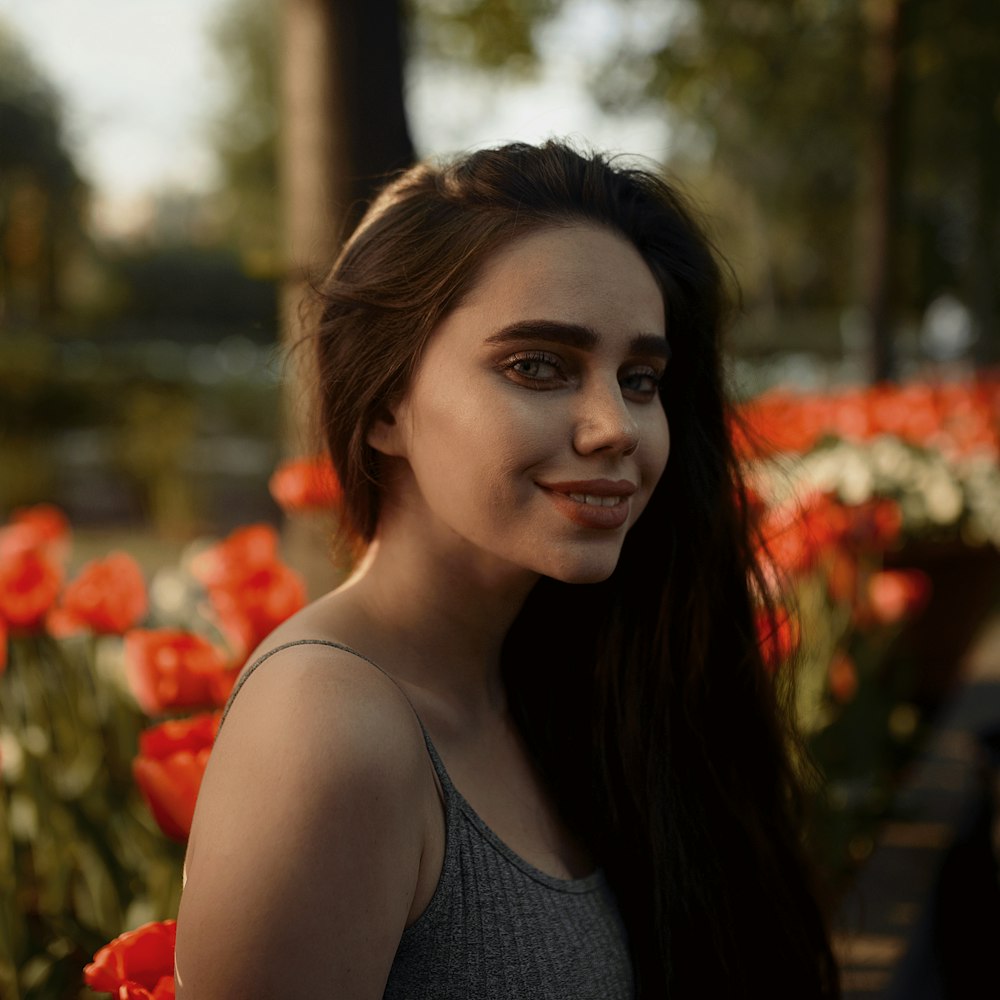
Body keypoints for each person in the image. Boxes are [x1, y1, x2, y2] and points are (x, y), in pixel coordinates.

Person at [174, 140, 839, 998]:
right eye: (538, 366)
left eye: (640, 378)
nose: (617, 427)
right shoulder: (331, 727)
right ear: (382, 403)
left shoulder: (564, 676)